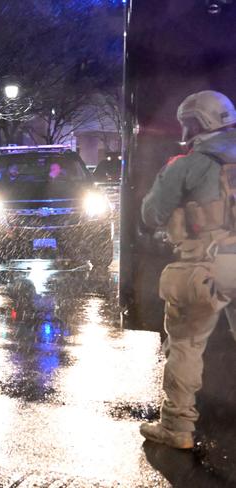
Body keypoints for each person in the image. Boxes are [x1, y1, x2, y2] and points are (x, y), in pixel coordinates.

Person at [139, 90, 236, 449]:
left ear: (198, 123)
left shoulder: (186, 164)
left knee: (186, 344)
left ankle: (177, 427)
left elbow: (152, 214)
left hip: (207, 267)